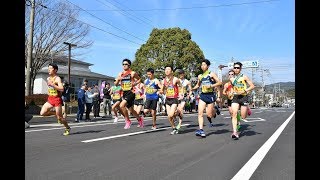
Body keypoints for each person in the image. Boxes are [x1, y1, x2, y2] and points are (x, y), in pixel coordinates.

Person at [191, 59, 222, 137]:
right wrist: (192, 88)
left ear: (208, 66)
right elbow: (198, 85)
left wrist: (211, 86)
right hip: (203, 95)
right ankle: (201, 130)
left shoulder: (211, 74)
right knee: (200, 113)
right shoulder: (200, 76)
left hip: (210, 95)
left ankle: (215, 109)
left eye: (204, 65)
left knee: (209, 115)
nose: (202, 66)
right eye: (201, 65)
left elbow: (219, 82)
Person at [39, 63, 71, 136]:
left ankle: (67, 127)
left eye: (50, 68)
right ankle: (55, 114)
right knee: (42, 113)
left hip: (57, 99)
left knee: (60, 118)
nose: (49, 70)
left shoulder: (57, 78)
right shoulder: (48, 78)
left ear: (55, 70)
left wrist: (53, 84)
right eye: (48, 68)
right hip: (50, 99)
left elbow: (62, 89)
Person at [114, 59, 144, 129]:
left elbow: (139, 79)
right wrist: (118, 79)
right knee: (131, 110)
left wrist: (135, 83)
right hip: (124, 92)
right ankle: (140, 119)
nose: (124, 65)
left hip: (131, 92)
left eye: (126, 64)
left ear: (129, 65)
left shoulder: (132, 73)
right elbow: (115, 84)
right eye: (123, 64)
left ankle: (128, 121)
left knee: (122, 105)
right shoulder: (120, 74)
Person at [229, 62, 255, 140]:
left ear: (240, 69)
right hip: (236, 97)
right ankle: (235, 132)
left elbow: (252, 86)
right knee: (234, 113)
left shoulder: (244, 77)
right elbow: (233, 88)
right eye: (235, 68)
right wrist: (231, 93)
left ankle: (247, 109)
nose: (236, 69)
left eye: (238, 68)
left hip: (243, 97)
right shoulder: (231, 78)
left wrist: (245, 90)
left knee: (243, 116)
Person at [161, 65, 182, 135]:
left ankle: (177, 113)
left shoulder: (175, 79)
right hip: (167, 99)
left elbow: (180, 86)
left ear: (172, 71)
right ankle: (174, 128)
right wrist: (162, 91)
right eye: (165, 69)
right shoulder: (163, 81)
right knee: (169, 117)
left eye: (168, 69)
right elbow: (162, 90)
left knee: (170, 115)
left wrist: (181, 93)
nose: (166, 71)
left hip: (174, 99)